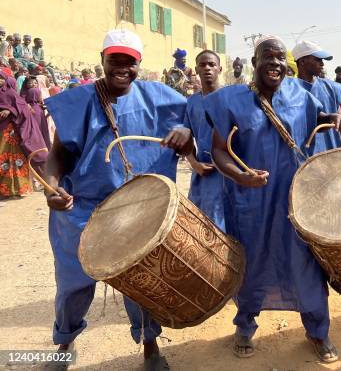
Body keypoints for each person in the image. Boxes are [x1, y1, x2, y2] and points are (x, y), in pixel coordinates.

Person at [43, 29, 192, 370]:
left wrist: (187, 133)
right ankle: (64, 345)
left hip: (139, 208)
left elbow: (196, 127)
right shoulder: (79, 101)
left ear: (139, 64)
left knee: (141, 281)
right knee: (72, 284)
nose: (122, 68)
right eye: (115, 61)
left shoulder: (162, 97)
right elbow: (58, 155)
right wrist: (52, 187)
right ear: (103, 61)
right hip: (84, 209)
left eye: (130, 62)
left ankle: (151, 345)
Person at [205, 36, 341, 362]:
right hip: (250, 202)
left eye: (280, 58)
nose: (274, 63)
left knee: (306, 264)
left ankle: (318, 330)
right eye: (266, 57)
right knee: (252, 264)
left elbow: (318, 121)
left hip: (297, 199)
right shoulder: (231, 101)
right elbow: (217, 150)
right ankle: (244, 324)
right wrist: (238, 176)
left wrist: (333, 120)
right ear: (254, 63)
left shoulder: (301, 94)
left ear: (288, 64)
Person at [184, 49, 225, 231]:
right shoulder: (192, 102)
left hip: (230, 174)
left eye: (212, 64)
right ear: (196, 69)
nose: (207, 68)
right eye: (203, 65)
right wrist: (194, 163)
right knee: (200, 227)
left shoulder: (232, 98)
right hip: (203, 174)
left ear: (220, 69)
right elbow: (186, 139)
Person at [0, 70, 48, 197]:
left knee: (13, 159)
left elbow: (21, 108)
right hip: (1, 131)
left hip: (9, 133)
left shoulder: (11, 93)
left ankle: (17, 189)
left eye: (1, 78)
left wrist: (9, 110)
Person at [292, 40, 341, 152]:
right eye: (318, 59)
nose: (322, 64)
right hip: (305, 159)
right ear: (302, 61)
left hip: (333, 154)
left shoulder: (331, 88)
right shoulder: (290, 91)